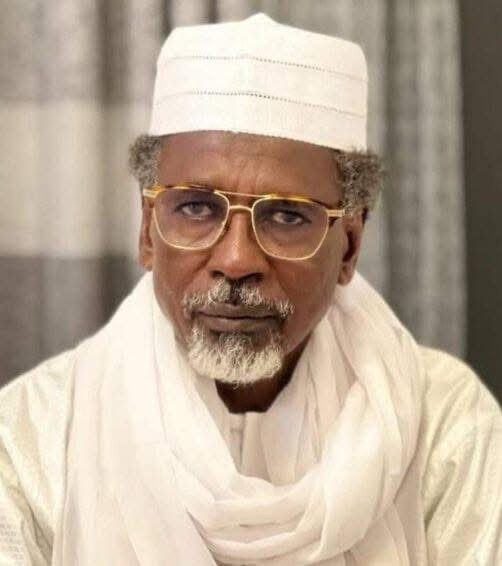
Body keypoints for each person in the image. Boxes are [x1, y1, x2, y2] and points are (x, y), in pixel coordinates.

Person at [0, 13, 500, 566]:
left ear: (349, 247)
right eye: (196, 207)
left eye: (286, 216)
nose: (237, 261)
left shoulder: (446, 428)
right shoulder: (34, 436)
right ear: (147, 231)